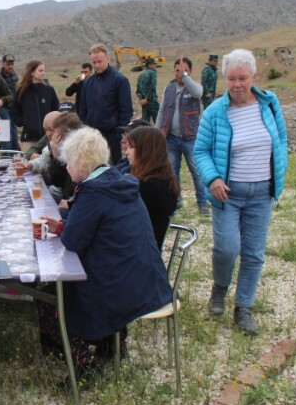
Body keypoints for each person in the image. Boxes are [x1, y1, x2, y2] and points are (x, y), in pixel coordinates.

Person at [39, 127, 173, 370]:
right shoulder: (117, 181)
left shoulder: (93, 193)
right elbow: (93, 229)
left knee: (51, 295)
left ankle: (82, 367)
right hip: (146, 279)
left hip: (119, 287)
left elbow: (74, 241)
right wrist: (63, 226)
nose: (67, 168)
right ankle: (111, 345)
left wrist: (64, 229)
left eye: (69, 162)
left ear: (81, 163)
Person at [194, 49, 288, 335]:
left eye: (243, 78)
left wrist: (277, 172)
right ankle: (220, 288)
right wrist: (212, 179)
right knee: (226, 249)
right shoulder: (214, 112)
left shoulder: (270, 103)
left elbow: (281, 138)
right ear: (225, 79)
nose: (237, 84)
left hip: (262, 192)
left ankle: (243, 307)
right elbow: (200, 151)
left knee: (254, 254)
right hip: (228, 194)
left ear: (253, 77)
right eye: (232, 78)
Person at [156, 57, 210, 215]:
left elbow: (198, 93)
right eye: (177, 70)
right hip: (171, 138)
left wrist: (185, 77)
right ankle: (176, 200)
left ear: (190, 71)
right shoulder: (169, 89)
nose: (179, 73)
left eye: (184, 69)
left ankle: (202, 202)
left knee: (197, 171)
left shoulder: (194, 87)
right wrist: (157, 131)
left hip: (191, 138)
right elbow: (161, 111)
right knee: (172, 171)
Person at [124, 126, 180, 250]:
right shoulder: (164, 179)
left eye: (131, 147)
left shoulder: (149, 187)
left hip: (138, 254)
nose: (126, 152)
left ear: (145, 150)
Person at [79, 43, 133, 163]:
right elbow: (82, 108)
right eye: (94, 62)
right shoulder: (88, 83)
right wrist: (86, 125)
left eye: (100, 61)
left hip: (111, 136)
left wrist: (118, 132)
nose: (97, 65)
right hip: (92, 135)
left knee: (112, 170)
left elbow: (126, 110)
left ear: (108, 59)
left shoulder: (120, 80)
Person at [12, 60, 60, 153]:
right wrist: (25, 122)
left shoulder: (49, 90)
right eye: (40, 71)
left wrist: (51, 127)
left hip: (47, 139)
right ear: (32, 72)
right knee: (27, 165)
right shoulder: (21, 91)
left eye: (44, 70)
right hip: (28, 139)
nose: (43, 73)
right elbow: (14, 113)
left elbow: (56, 111)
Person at [0, 53, 20, 151]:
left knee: (15, 136)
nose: (10, 66)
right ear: (3, 64)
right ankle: (5, 160)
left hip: (14, 109)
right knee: (7, 137)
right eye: (8, 64)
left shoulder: (15, 76)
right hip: (3, 108)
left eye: (12, 64)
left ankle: (15, 160)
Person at [136, 57, 159, 123]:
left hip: (144, 104)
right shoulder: (152, 72)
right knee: (158, 122)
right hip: (152, 101)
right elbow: (153, 86)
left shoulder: (140, 75)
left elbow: (138, 90)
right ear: (149, 65)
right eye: (154, 64)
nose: (155, 66)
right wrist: (147, 99)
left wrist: (142, 100)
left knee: (145, 124)